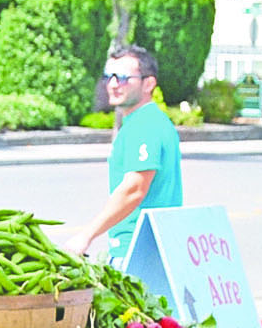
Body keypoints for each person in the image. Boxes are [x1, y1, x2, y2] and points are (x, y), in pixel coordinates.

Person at [64, 44, 182, 263]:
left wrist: (86, 235)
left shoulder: (144, 125)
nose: (113, 84)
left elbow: (134, 189)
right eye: (108, 77)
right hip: (155, 248)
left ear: (149, 84)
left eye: (123, 78)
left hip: (137, 252)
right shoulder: (154, 120)